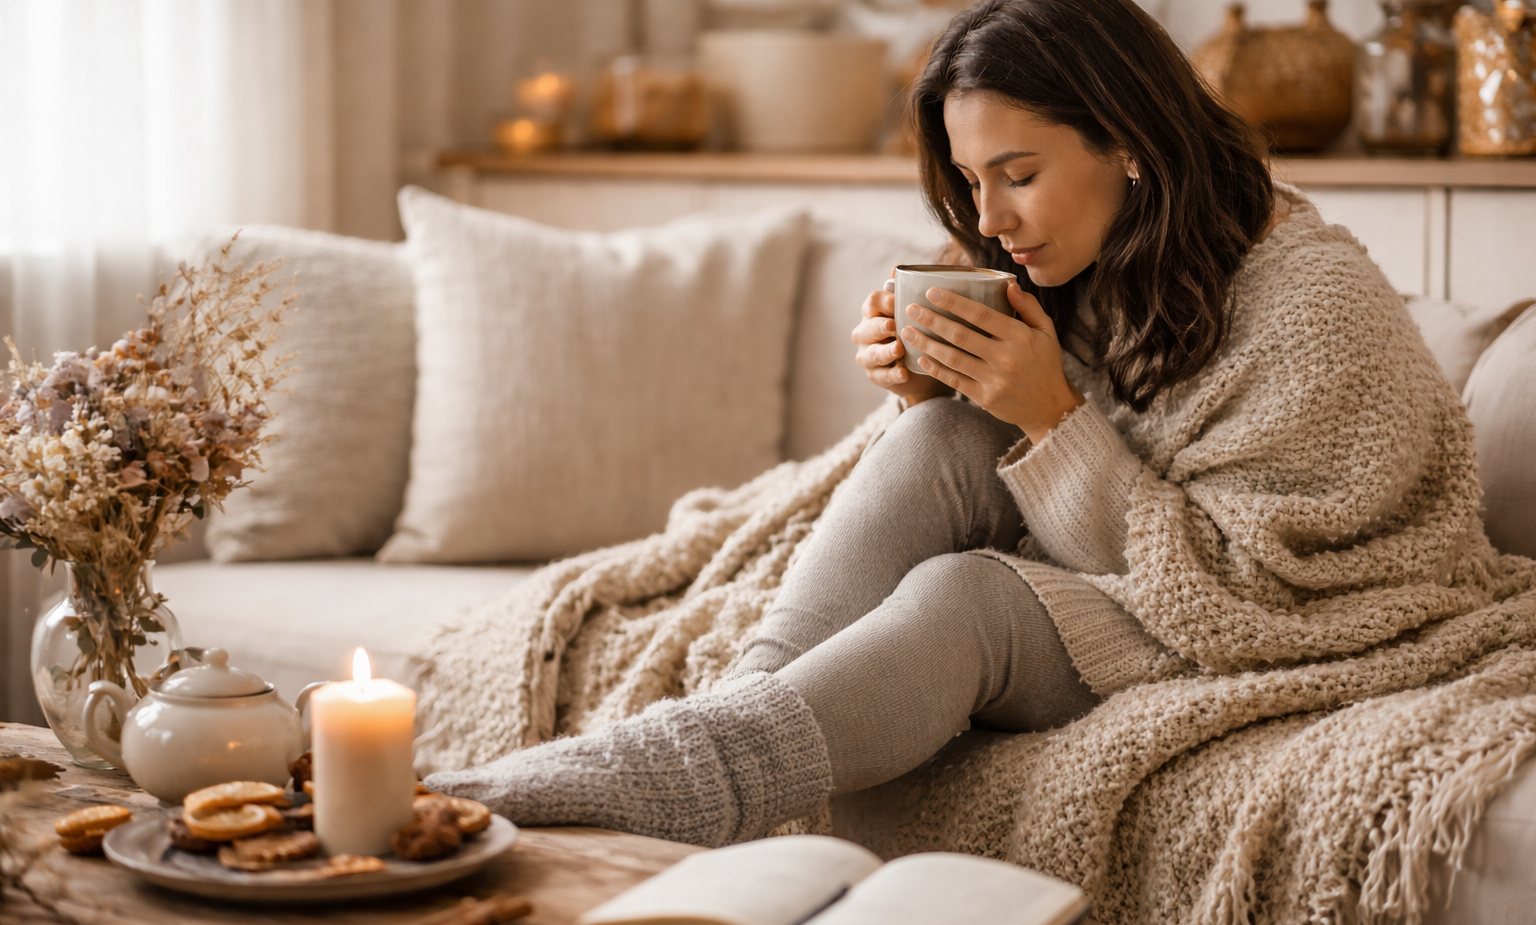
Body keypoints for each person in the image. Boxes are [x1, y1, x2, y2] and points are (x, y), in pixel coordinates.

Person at [426, 0, 1494, 847]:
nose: (989, 222)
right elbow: (1006, 467)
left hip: (1255, 616)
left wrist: (1050, 417)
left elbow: (1237, 592)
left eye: (1018, 176)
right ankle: (730, 725)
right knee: (942, 438)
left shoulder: (1312, 300)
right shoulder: (1097, 264)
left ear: (1129, 142)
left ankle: (696, 769)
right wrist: (925, 393)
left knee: (968, 596)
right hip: (1133, 575)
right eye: (973, 183)